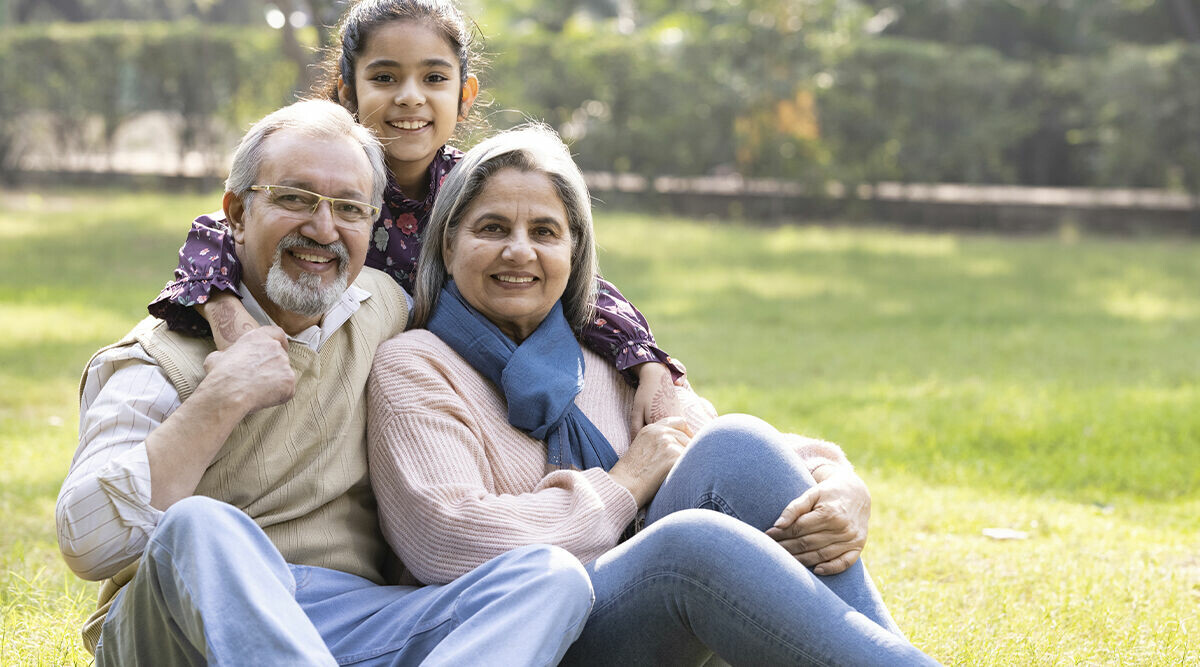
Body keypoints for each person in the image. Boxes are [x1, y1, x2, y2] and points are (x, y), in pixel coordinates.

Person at [366, 124, 941, 666]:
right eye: (492, 229)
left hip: (637, 607)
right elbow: (445, 541)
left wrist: (838, 479)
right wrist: (621, 486)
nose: (520, 251)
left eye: (544, 231)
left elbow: (721, 448)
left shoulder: (612, 357)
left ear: (574, 251)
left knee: (734, 440)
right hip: (524, 629)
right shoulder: (415, 365)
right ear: (447, 244)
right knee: (691, 545)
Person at [56, 100, 594, 665]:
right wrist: (223, 395)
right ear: (235, 213)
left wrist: (647, 360)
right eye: (294, 198)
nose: (322, 228)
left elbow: (535, 274)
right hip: (184, 621)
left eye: (349, 209)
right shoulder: (154, 358)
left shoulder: (383, 306)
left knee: (547, 576)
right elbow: (86, 543)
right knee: (201, 524)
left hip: (350, 616)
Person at [148, 0, 683, 432]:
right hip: (327, 403)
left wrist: (647, 361)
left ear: (464, 94)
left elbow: (570, 275)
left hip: (447, 396)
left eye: (433, 78)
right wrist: (225, 313)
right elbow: (215, 234)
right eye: (384, 78)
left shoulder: (474, 190)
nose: (410, 98)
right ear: (346, 89)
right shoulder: (326, 180)